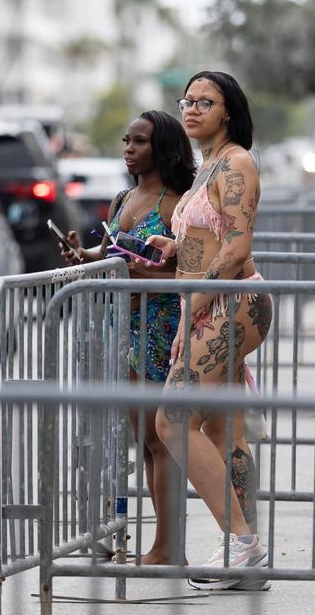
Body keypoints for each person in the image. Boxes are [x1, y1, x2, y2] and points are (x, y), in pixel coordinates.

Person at [146, 71, 273, 589]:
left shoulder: (237, 162)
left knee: (172, 420)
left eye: (206, 102)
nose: (192, 109)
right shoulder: (208, 167)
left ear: (229, 110)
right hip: (211, 303)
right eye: (188, 100)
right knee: (224, 431)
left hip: (232, 304)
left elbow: (238, 249)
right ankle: (242, 554)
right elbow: (209, 234)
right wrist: (176, 249)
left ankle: (243, 543)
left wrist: (191, 309)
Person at [59, 110, 196, 565]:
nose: (129, 149)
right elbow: (110, 254)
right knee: (143, 439)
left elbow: (190, 268)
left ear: (163, 150)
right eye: (126, 140)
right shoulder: (122, 199)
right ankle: (162, 544)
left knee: (163, 440)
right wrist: (83, 255)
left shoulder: (178, 204)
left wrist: (140, 275)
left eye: (139, 142)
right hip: (123, 329)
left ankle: (168, 546)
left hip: (162, 330)